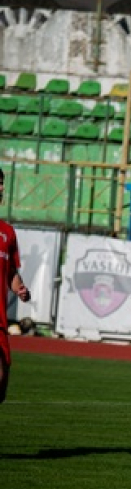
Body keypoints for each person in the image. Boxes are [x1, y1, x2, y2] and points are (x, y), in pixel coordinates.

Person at [0, 167, 32, 405]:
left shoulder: (7, 232)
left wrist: (19, 287)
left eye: (1, 183)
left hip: (0, 320)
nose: (1, 188)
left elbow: (11, 271)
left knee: (2, 386)